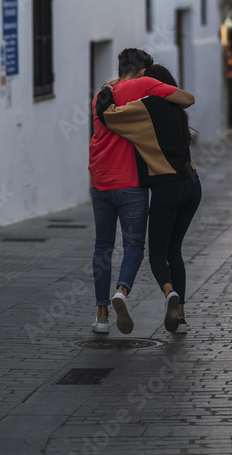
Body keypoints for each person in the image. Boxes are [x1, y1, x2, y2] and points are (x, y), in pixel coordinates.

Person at [88, 48, 194, 336]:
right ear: (145, 70)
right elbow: (187, 99)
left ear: (119, 68)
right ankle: (124, 292)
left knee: (103, 246)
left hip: (100, 178)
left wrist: (112, 86)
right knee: (136, 246)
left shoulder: (101, 95)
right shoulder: (146, 87)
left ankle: (101, 315)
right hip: (134, 181)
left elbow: (107, 118)